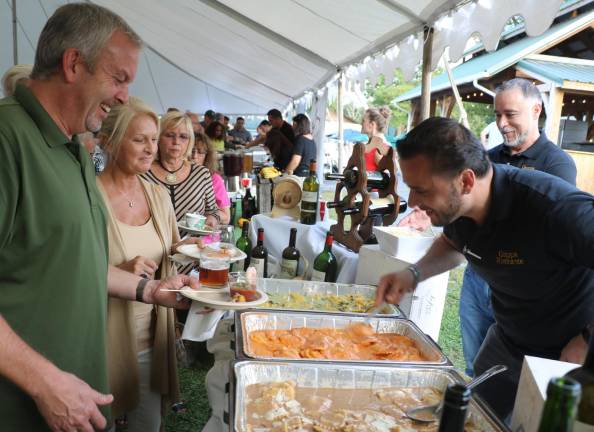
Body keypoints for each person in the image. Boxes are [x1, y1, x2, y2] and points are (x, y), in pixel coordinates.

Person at [0, 4, 196, 431]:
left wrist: (151, 290)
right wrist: (44, 382)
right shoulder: (7, 139)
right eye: (119, 78)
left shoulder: (73, 149)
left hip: (77, 398)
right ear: (73, 63)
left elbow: (76, 263)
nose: (125, 96)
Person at [376, 116, 594, 421]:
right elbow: (453, 245)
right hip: (507, 341)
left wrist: (587, 338)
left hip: (566, 358)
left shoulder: (554, 207)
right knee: (465, 417)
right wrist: (413, 274)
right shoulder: (460, 207)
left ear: (465, 181)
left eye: (421, 190)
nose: (412, 201)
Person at [459, 78, 577, 377]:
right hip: (478, 276)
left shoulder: (557, 164)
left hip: (523, 285)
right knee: (476, 363)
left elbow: (549, 231)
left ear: (536, 109)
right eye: (498, 114)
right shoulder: (488, 158)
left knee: (517, 374)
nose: (501, 122)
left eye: (510, 114)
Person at [97, 97, 202, 431]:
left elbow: (168, 249)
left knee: (148, 424)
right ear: (109, 141)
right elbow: (73, 268)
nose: (150, 148)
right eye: (139, 139)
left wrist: (192, 248)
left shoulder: (156, 195)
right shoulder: (89, 196)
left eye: (153, 139)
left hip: (151, 336)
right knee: (100, 422)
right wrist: (120, 273)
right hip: (102, 337)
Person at [143, 111, 219, 272]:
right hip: (153, 259)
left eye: (183, 137)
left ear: (189, 141)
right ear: (158, 137)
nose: (176, 142)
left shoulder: (201, 174)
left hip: (192, 259)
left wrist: (211, 220)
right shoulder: (143, 173)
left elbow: (212, 211)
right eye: (170, 135)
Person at [192, 131, 231, 224]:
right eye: (191, 151)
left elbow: (226, 217)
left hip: (203, 233)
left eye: (200, 152)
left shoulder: (214, 179)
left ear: (207, 157)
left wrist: (206, 213)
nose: (194, 156)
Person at [361, 106, 391, 171]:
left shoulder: (380, 148)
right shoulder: (371, 146)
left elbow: (388, 177)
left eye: (363, 121)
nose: (361, 123)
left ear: (372, 125)